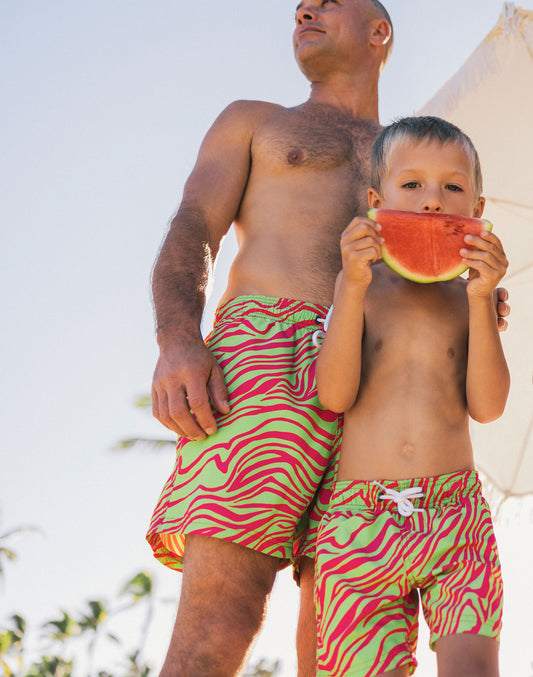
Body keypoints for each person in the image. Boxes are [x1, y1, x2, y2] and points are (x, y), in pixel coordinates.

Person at [146, 2, 509, 675]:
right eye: (300, 5)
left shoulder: (413, 160)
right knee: (221, 618)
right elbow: (194, 225)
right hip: (263, 362)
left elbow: (434, 271)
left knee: (341, 649)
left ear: (380, 32)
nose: (304, 7)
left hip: (380, 389)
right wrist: (177, 338)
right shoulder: (255, 121)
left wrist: (470, 295)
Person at [313, 116, 509, 677]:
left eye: (452, 187)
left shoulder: (470, 298)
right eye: (413, 184)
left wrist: (480, 299)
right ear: (377, 200)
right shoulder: (363, 288)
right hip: (359, 522)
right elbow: (334, 393)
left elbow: (488, 406)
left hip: (456, 517)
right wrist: (349, 285)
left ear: (477, 206)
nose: (432, 203)